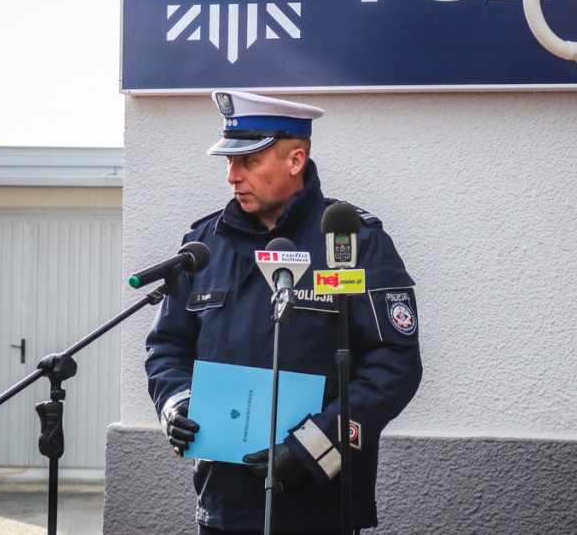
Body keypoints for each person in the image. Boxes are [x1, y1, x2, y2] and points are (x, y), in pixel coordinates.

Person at [144, 90, 422, 535]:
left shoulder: (354, 241)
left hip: (318, 504)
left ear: (295, 161)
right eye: (229, 163)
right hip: (223, 503)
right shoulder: (203, 245)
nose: (232, 176)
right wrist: (177, 406)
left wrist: (313, 445)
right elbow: (167, 347)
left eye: (248, 162)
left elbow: (395, 365)